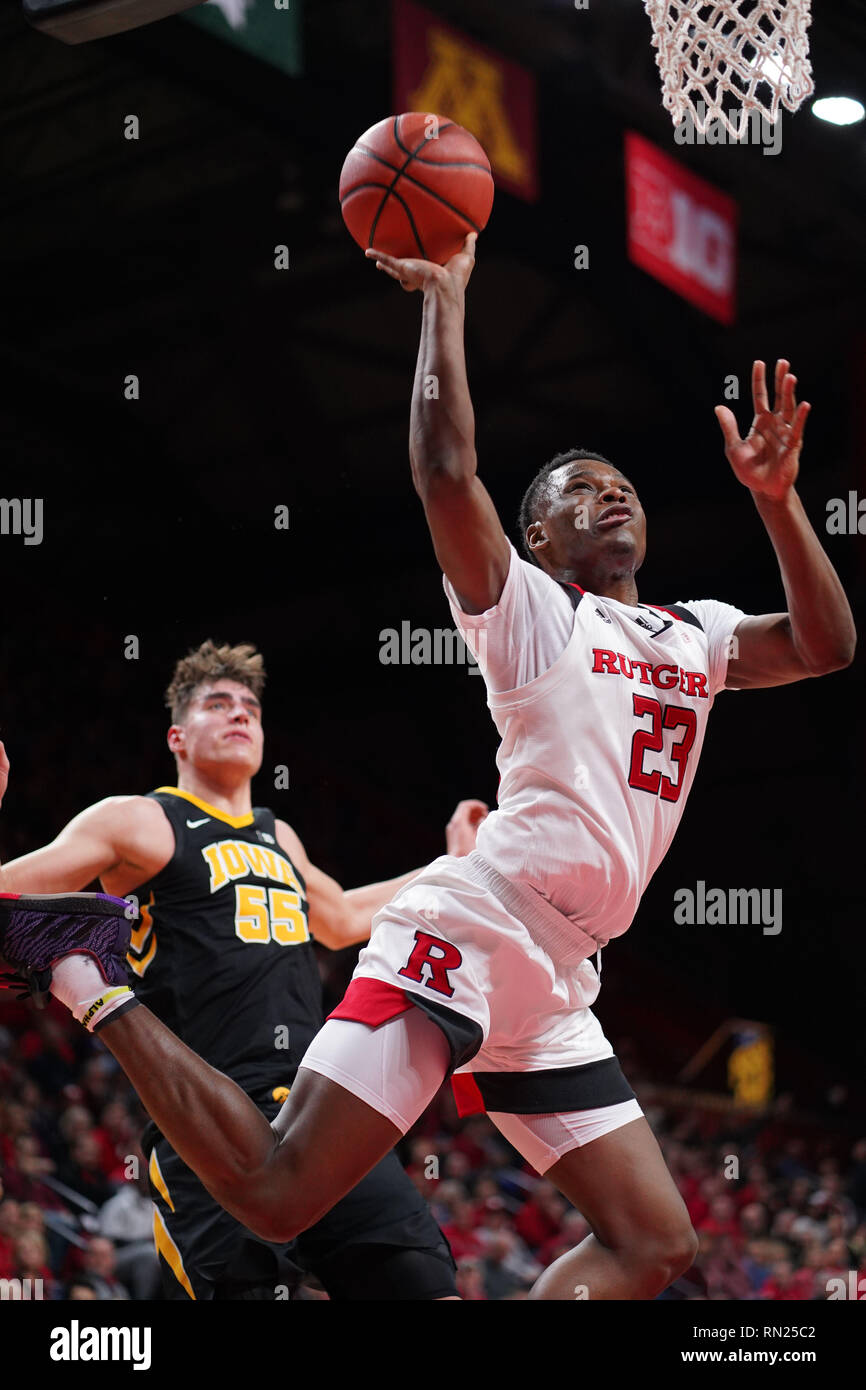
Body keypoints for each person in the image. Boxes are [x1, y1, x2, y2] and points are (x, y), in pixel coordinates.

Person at [0, 235, 855, 1300]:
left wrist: (776, 503)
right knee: (275, 1193)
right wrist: (443, 299)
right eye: (577, 490)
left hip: (558, 973)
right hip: (477, 924)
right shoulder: (533, 617)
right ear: (536, 537)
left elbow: (825, 647)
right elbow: (446, 470)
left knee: (655, 1243)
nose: (610, 494)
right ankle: (87, 974)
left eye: (620, 483)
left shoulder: (699, 633)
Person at [0, 640, 486, 1300]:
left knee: (426, 1286)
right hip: (208, 1121)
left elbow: (341, 917)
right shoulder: (140, 820)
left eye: (250, 708)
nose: (239, 715)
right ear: (177, 735)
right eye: (217, 704)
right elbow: (10, 902)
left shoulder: (278, 833)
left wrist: (453, 864)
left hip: (320, 1108)